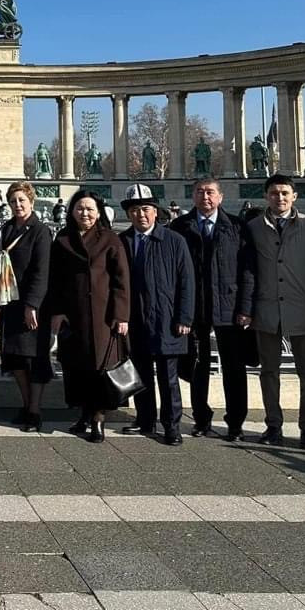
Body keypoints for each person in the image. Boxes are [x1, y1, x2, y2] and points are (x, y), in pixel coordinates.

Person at [238, 174, 305, 448]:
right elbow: (248, 268)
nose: (279, 198)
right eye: (274, 193)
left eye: (284, 193)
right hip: (266, 308)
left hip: (301, 308)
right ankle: (273, 424)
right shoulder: (253, 227)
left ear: (294, 196)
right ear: (266, 196)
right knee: (269, 372)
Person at [46, 190, 131, 443]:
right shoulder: (63, 239)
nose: (85, 213)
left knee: (100, 368)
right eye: (80, 208)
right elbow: (55, 279)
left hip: (103, 317)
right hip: (73, 315)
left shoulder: (110, 239)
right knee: (76, 367)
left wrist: (121, 315)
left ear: (98, 212)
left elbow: (121, 280)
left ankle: (98, 418)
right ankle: (84, 413)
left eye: (90, 209)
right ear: (72, 211)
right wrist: (57, 311)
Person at [170, 178, 250, 441]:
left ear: (220, 197)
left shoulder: (237, 226)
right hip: (195, 308)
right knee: (197, 367)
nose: (205, 197)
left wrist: (246, 308)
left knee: (234, 367)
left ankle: (236, 422)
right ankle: (201, 419)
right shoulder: (180, 227)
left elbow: (248, 271)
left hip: (229, 307)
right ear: (193, 196)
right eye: (200, 192)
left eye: (210, 192)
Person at [118, 185, 194, 445]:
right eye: (135, 210)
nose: (141, 215)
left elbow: (187, 282)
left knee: (168, 377)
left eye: (146, 209)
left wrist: (184, 318)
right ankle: (145, 419)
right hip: (135, 319)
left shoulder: (174, 240)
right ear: (128, 214)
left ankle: (172, 425)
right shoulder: (123, 241)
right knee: (140, 375)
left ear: (155, 211)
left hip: (166, 319)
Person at [0, 181, 52, 432]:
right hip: (11, 302)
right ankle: (27, 405)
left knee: (34, 359)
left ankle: (35, 411)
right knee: (15, 358)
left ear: (31, 201)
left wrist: (32, 305)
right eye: (13, 201)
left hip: (32, 305)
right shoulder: (7, 228)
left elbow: (42, 271)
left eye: (22, 200)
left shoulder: (40, 231)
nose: (17, 205)